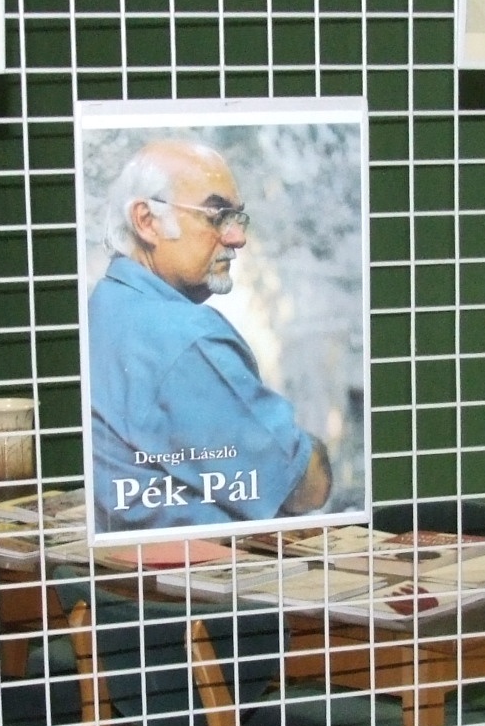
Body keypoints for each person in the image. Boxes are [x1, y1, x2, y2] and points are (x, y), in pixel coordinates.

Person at [87, 140, 333, 532]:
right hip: (206, 568)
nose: (237, 238)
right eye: (217, 215)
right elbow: (306, 486)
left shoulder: (104, 304)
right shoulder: (186, 340)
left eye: (237, 217)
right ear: (146, 221)